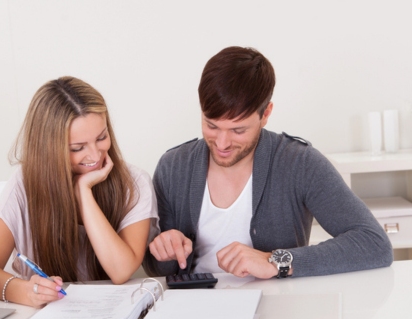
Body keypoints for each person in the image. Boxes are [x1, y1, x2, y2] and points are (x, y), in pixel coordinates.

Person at [143, 46, 393, 279]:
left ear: (266, 114)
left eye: (238, 130)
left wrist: (275, 261)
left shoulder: (299, 163)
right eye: (211, 125)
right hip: (193, 313)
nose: (221, 143)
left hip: (277, 311)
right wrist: (164, 249)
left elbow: (375, 244)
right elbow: (158, 270)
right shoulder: (173, 167)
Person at [0, 76, 159, 307]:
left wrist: (83, 192)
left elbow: (120, 271)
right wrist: (27, 292)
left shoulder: (134, 183)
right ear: (49, 149)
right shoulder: (24, 184)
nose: (95, 155)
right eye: (77, 148)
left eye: (101, 138)